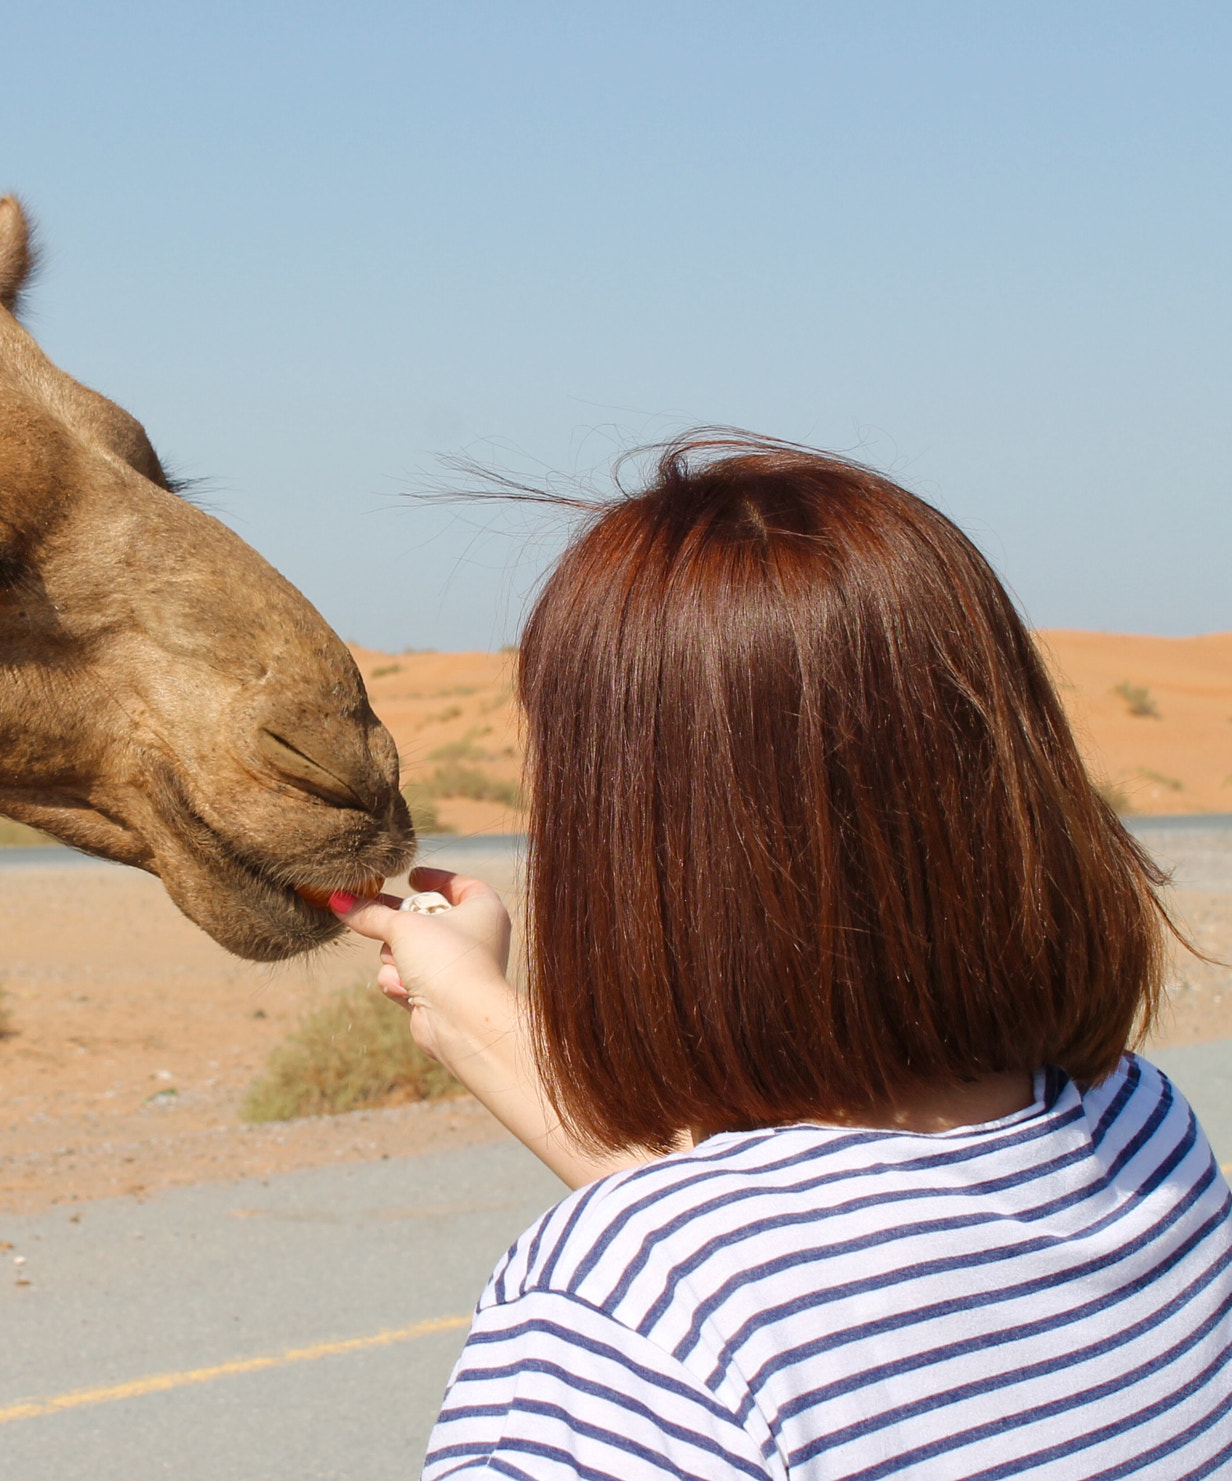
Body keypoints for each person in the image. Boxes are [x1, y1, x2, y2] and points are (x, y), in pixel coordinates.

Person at [334, 436, 1232, 1480]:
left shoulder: (621, 1321)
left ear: (634, 841)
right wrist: (478, 1017)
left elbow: (721, 1295)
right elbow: (827, 1266)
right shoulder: (1137, 1131)